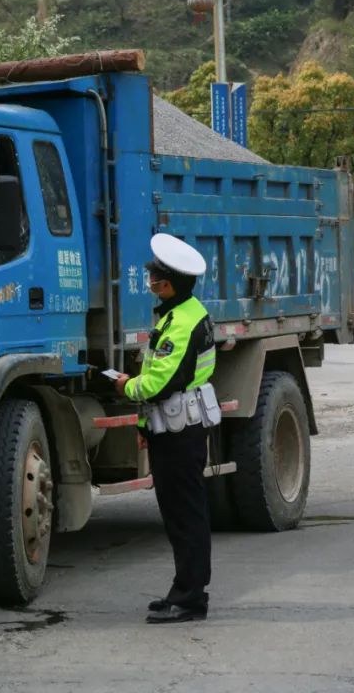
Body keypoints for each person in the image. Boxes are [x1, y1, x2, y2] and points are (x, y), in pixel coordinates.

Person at [114, 233, 219, 624]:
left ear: (169, 282)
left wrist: (125, 386)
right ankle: (183, 591)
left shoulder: (183, 322)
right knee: (179, 515)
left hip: (180, 431)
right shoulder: (179, 314)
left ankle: (191, 599)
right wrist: (145, 424)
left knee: (186, 515)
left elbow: (159, 382)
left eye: (155, 277)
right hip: (171, 427)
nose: (150, 283)